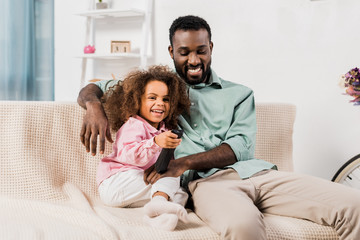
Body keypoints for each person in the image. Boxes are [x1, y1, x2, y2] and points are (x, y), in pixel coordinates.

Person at [78, 15, 360, 239]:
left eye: (200, 51)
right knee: (243, 227)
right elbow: (93, 88)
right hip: (209, 185)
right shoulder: (157, 90)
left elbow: (240, 147)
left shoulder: (240, 94)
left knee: (354, 205)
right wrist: (93, 106)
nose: (193, 60)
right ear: (171, 52)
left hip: (258, 174)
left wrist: (182, 162)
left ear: (210, 48)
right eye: (184, 52)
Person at [96, 65, 190, 231]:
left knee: (180, 192)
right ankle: (160, 203)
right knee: (170, 178)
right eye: (152, 98)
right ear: (136, 101)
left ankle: (158, 216)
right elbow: (130, 156)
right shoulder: (134, 124)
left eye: (166, 99)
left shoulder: (164, 130)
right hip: (117, 182)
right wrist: (155, 142)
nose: (160, 103)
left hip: (137, 186)